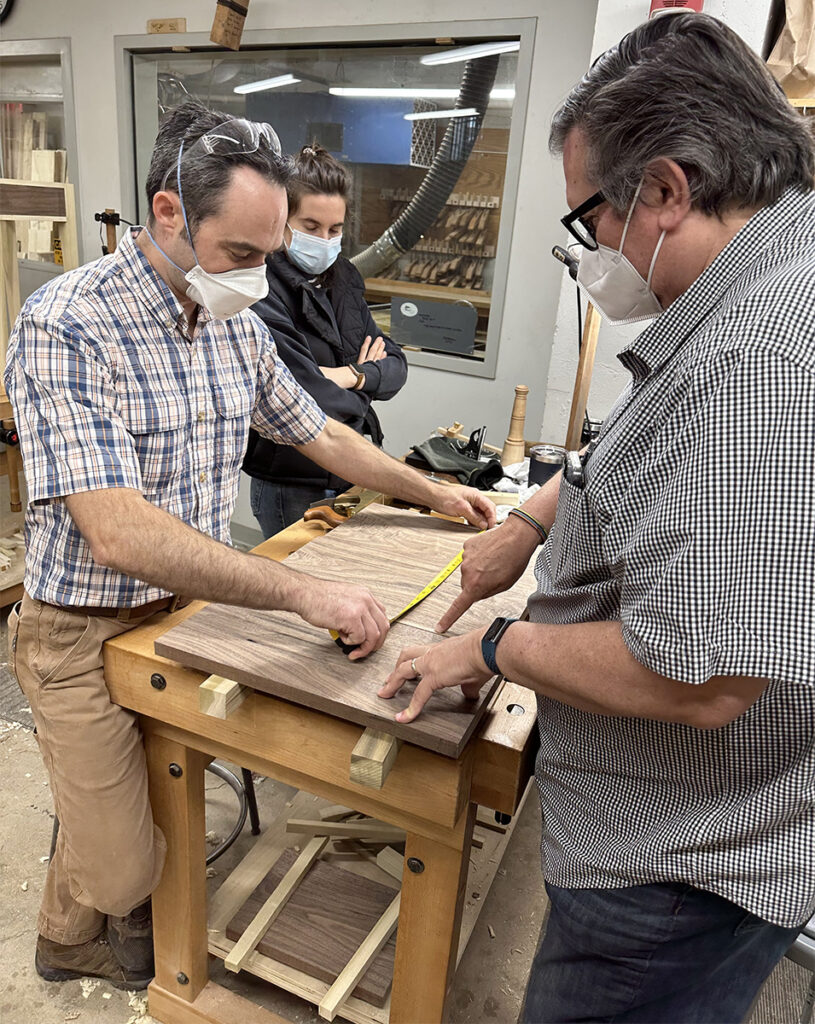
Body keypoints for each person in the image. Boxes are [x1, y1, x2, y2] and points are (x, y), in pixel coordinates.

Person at [378, 14, 815, 1023]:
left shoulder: (760, 356)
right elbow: (652, 436)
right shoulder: (752, 290)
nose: (589, 254)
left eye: (588, 221)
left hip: (672, 866)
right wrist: (531, 522)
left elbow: (695, 674)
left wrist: (495, 645)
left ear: (664, 191)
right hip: (691, 828)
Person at [4, 100, 494, 991]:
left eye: (271, 255)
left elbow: (321, 434)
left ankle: (83, 880)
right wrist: (303, 594)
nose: (260, 277)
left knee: (166, 790)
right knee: (124, 868)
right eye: (241, 253)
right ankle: (74, 931)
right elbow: (114, 531)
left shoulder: (232, 317)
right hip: (77, 626)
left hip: (181, 607)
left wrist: (434, 491)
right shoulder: (66, 323)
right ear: (168, 213)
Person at [243, 143, 408, 537]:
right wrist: (365, 382)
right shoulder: (259, 287)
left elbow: (396, 366)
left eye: (334, 230)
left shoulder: (345, 278)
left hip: (351, 470)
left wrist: (349, 376)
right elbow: (307, 398)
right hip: (291, 480)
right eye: (311, 227)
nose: (325, 240)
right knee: (296, 589)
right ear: (283, 221)